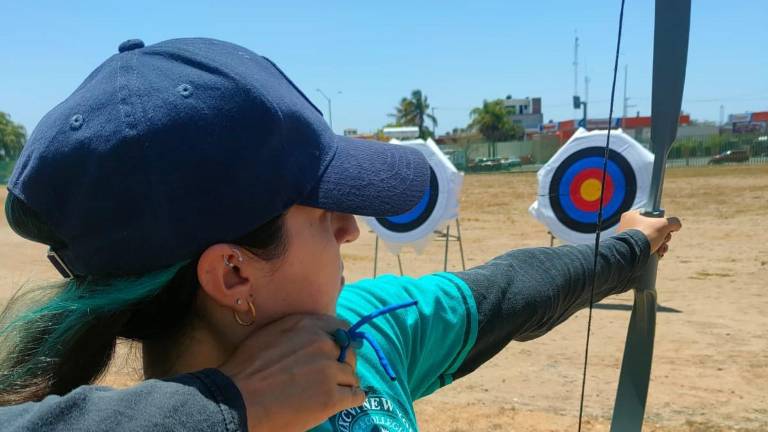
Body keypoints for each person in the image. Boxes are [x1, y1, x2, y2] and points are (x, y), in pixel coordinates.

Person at [0, 37, 681, 432]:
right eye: (326, 214)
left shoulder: (363, 332)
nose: (353, 231)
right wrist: (231, 410)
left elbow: (508, 291)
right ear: (233, 273)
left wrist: (626, 247)